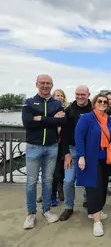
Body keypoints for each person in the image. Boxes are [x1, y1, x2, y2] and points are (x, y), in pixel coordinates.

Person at [22, 74, 66, 229]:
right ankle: (31, 213)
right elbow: (27, 123)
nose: (45, 85)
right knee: (31, 182)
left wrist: (40, 118)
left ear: (52, 85)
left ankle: (46, 210)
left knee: (48, 181)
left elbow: (62, 121)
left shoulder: (57, 103)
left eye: (48, 83)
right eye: (42, 83)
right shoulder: (28, 102)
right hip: (34, 146)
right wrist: (51, 119)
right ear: (36, 84)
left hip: (52, 146)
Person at [75, 94, 111, 237]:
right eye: (100, 101)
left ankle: (97, 210)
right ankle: (96, 222)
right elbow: (79, 137)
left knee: (103, 187)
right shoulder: (86, 118)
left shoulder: (110, 120)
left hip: (106, 159)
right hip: (91, 159)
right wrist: (81, 156)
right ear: (94, 103)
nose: (103, 103)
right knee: (93, 188)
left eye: (105, 102)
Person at [58, 85, 92, 221]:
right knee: (68, 180)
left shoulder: (94, 110)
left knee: (88, 179)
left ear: (88, 94)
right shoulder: (69, 110)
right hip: (72, 149)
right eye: (77, 94)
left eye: (83, 94)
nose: (80, 97)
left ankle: (87, 200)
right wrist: (66, 153)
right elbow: (64, 135)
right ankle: (68, 207)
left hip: (89, 150)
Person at [36, 88, 68, 206]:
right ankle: (47, 193)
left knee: (59, 171)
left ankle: (58, 191)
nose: (59, 97)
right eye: (57, 95)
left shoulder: (67, 110)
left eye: (61, 95)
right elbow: (44, 122)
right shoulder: (50, 109)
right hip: (50, 142)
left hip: (62, 144)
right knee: (48, 171)